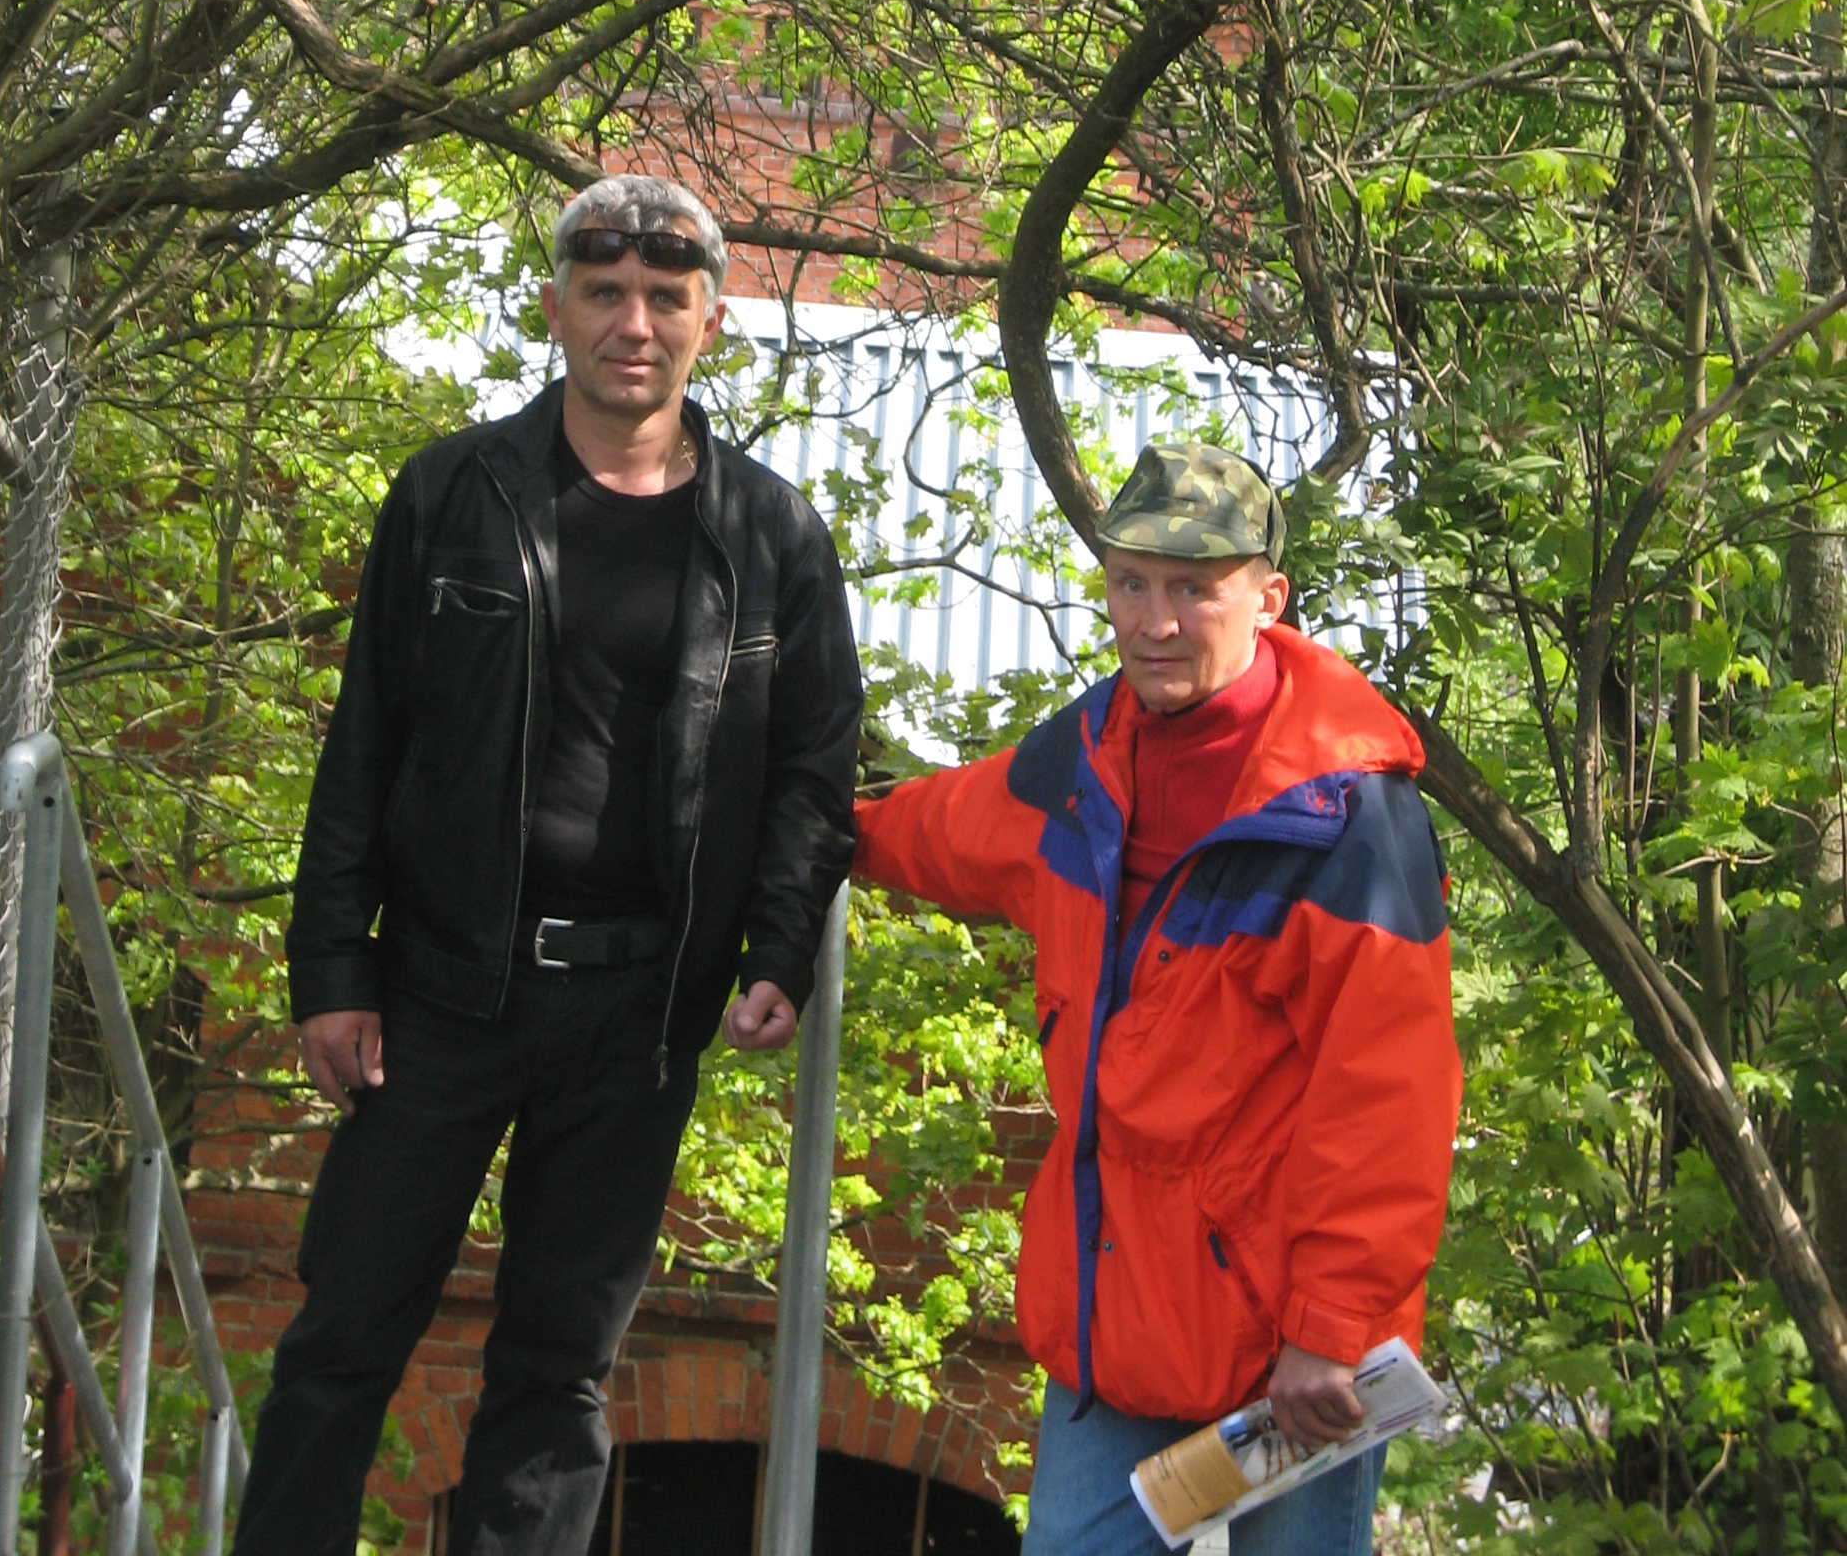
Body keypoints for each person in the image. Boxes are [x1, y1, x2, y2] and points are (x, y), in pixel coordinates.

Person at [234, 176, 864, 1556]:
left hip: (638, 1015)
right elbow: (366, 743)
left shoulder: (773, 536)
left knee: (558, 1369)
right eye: (604, 294)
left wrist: (777, 945)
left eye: (665, 299)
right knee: (342, 1336)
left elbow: (817, 772)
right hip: (440, 995)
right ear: (555, 308)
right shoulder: (452, 494)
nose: (634, 324)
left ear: (710, 322)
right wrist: (331, 970)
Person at [855, 442, 1460, 1556]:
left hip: (1298, 1351)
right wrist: (814, 827)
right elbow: (939, 829)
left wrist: (1330, 1327)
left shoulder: (1349, 818)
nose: (1155, 622)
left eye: (1193, 589)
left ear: (1269, 599)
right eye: (1131, 583)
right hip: (1117, 1317)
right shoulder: (1081, 763)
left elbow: (1390, 1099)